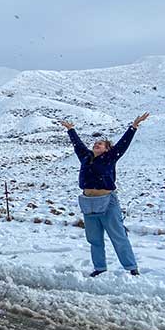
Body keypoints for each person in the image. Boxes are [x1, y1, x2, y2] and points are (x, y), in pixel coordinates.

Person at [60, 113, 149, 277]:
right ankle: (99, 268)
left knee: (118, 235)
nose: (96, 145)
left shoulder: (109, 158)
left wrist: (133, 126)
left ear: (107, 149)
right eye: (95, 143)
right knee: (94, 238)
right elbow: (78, 145)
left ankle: (131, 267)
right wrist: (71, 130)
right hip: (89, 202)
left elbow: (123, 144)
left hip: (108, 201)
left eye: (100, 144)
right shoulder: (86, 158)